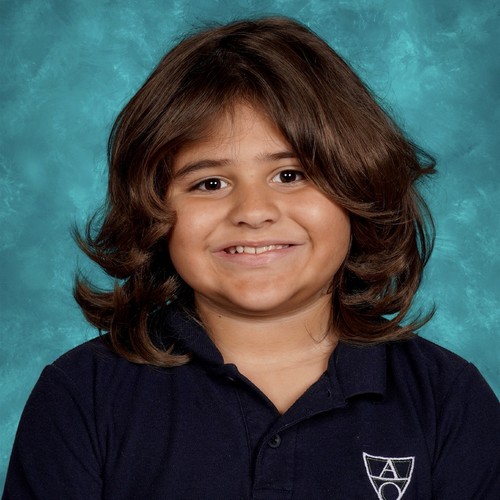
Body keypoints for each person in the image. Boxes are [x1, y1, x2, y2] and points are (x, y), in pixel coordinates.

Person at [3, 16, 499, 500]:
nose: (253, 212)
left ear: (359, 186)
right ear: (152, 209)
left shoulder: (446, 398)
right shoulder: (83, 394)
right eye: (210, 183)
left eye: (290, 175)